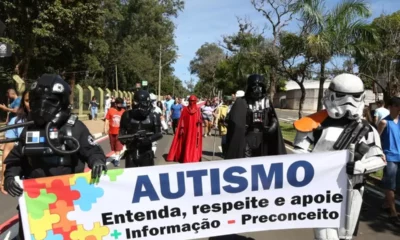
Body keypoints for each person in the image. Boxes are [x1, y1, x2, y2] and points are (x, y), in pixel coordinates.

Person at [2, 74, 107, 239]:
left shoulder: (75, 128)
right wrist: (10, 177)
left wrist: (97, 162)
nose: (43, 107)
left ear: (63, 102)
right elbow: (15, 160)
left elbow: (92, 150)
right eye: (38, 101)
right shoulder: (29, 130)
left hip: (70, 202)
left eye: (50, 101)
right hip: (36, 204)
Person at [292, 73, 386, 240]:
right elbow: (297, 156)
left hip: (353, 188)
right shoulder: (314, 123)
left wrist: (361, 167)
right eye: (342, 96)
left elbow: (379, 158)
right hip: (321, 187)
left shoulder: (367, 129)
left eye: (354, 96)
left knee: (345, 235)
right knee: (326, 235)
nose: (348, 101)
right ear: (331, 95)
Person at [225, 74, 286, 159]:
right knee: (246, 162)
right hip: (247, 136)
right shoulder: (242, 102)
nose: (257, 89)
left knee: (262, 162)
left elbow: (272, 116)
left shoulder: (267, 101)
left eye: (260, 86)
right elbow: (234, 119)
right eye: (254, 86)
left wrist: (273, 124)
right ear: (249, 88)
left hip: (263, 137)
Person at [119, 90, 162, 168]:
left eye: (143, 103)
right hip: (131, 152)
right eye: (136, 102)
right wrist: (125, 140)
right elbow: (121, 132)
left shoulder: (154, 116)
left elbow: (159, 133)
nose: (139, 106)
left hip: (146, 152)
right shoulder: (126, 115)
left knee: (147, 177)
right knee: (131, 177)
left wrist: (149, 139)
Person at [1, 90, 30, 195]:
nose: (31, 103)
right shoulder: (16, 123)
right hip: (27, 181)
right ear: (23, 102)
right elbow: (8, 150)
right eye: (27, 100)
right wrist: (4, 178)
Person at [378, 96, 400, 224]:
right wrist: (381, 153)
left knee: (397, 185)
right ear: (390, 107)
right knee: (390, 185)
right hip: (390, 157)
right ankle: (393, 212)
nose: (399, 108)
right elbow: (375, 139)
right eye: (396, 105)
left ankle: (387, 204)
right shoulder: (384, 122)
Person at [167, 95, 203, 163]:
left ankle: (192, 157)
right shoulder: (185, 109)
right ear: (189, 101)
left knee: (193, 143)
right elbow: (182, 120)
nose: (192, 102)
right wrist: (182, 127)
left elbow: (199, 119)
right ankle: (185, 157)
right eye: (191, 101)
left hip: (194, 130)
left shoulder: (197, 110)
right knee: (186, 142)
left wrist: (200, 121)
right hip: (186, 130)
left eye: (193, 101)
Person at [104, 97, 125, 167]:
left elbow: (125, 122)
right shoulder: (110, 110)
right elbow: (107, 119)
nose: (120, 105)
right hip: (111, 132)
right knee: (114, 147)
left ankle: (116, 160)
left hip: (120, 132)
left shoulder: (123, 111)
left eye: (121, 104)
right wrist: (105, 128)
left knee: (118, 147)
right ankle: (116, 156)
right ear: (115, 104)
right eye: (119, 104)